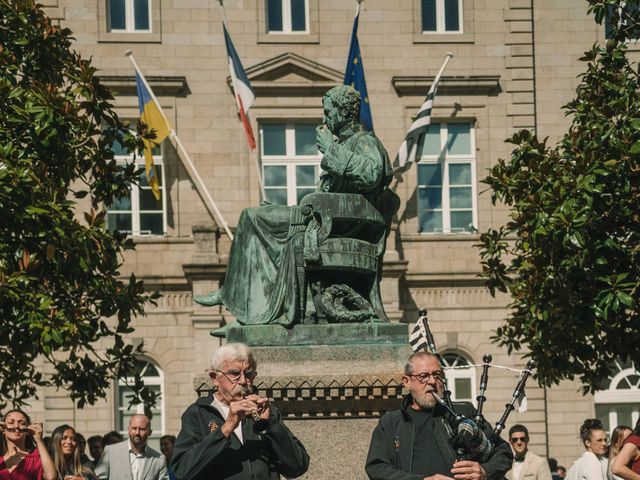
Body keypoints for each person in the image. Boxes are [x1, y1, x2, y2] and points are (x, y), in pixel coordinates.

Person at [194, 85, 394, 329]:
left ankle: (241, 304)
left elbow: (372, 174)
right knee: (258, 218)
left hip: (340, 229)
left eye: (328, 112)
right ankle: (246, 313)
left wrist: (331, 150)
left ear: (344, 112)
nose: (325, 118)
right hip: (327, 223)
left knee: (251, 217)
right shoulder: (349, 143)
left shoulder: (364, 141)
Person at [170, 343, 310, 480]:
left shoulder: (265, 410)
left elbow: (298, 466)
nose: (243, 381)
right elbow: (182, 471)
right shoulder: (198, 413)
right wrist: (226, 428)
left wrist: (272, 425)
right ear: (215, 378)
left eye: (249, 374)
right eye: (234, 373)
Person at [365, 351, 513, 480]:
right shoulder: (391, 423)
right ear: (407, 382)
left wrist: (485, 471)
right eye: (423, 376)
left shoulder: (463, 412)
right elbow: (377, 469)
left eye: (437, 375)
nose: (432, 382)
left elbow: (503, 452)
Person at [94, 415, 167, 480]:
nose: (137, 433)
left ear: (150, 432)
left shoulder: (159, 459)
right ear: (128, 430)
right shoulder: (111, 452)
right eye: (134, 428)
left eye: (142, 429)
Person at [0, 409, 57, 480]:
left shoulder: (36, 456)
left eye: (22, 423)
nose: (16, 426)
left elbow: (51, 477)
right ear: (3, 430)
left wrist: (39, 440)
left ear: (28, 430)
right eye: (11, 422)